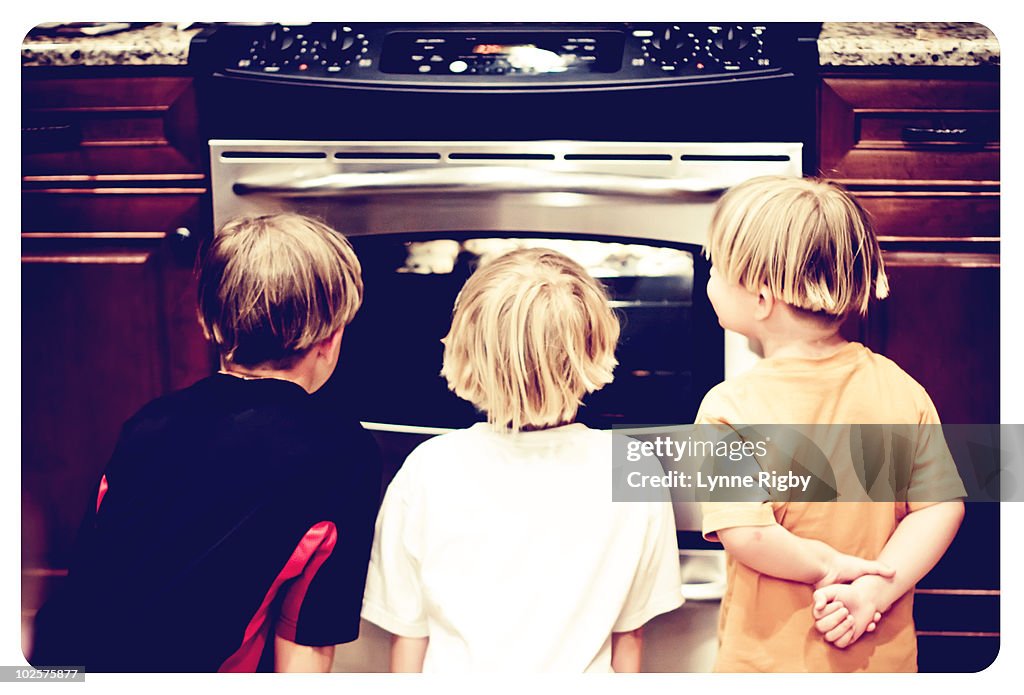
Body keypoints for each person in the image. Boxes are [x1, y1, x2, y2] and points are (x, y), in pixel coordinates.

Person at [30, 213, 381, 672]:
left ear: (206, 321)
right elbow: (305, 642)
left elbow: (94, 577)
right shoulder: (343, 455)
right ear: (332, 339)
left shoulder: (147, 423)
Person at [360, 247, 683, 672]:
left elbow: (409, 638)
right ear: (595, 344)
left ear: (466, 349)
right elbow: (630, 637)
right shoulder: (632, 466)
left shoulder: (429, 468)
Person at [696, 175, 966, 672]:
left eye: (715, 267)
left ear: (760, 299)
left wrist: (829, 565)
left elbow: (747, 534)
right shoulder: (902, 390)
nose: (708, 278)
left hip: (768, 666)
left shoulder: (729, 408)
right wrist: (873, 591)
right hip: (880, 662)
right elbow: (940, 509)